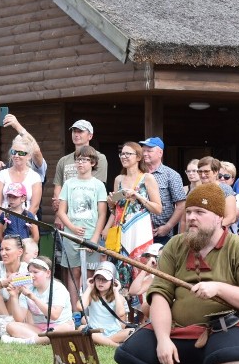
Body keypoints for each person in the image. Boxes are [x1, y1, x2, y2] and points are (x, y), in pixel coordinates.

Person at [113, 183, 239, 364]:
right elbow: (160, 296)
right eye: (188, 212)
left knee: (235, 362)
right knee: (129, 357)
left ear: (218, 217)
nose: (191, 218)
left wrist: (219, 288)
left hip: (227, 329)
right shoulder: (176, 245)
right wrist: (163, 338)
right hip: (180, 330)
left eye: (200, 212)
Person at [105, 141, 162, 288]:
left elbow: (158, 208)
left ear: (138, 157)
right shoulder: (118, 179)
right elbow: (115, 210)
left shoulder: (147, 178)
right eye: (122, 154)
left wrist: (139, 196)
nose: (124, 157)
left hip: (140, 230)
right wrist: (111, 203)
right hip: (121, 231)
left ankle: (140, 305)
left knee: (139, 264)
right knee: (121, 267)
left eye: (128, 154)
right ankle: (123, 307)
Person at [56, 145, 108, 296]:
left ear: (92, 163)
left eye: (84, 160)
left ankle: (89, 308)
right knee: (74, 272)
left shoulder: (98, 185)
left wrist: (95, 238)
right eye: (78, 160)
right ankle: (75, 312)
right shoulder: (69, 184)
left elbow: (102, 214)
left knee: (91, 273)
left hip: (91, 234)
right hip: (71, 235)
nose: (80, 163)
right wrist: (72, 227)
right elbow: (61, 211)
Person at [2, 256, 75, 344]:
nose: (31, 275)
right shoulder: (27, 288)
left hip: (60, 326)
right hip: (39, 329)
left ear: (48, 273)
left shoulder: (58, 288)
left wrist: (33, 297)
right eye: (29, 272)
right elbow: (19, 318)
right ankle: (42, 339)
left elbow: (54, 315)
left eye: (35, 272)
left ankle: (28, 341)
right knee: (11, 326)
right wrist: (14, 296)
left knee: (66, 328)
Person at [52, 120, 107, 229]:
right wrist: (59, 214)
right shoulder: (63, 160)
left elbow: (96, 189)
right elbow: (57, 188)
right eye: (74, 131)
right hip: (65, 216)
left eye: (80, 132)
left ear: (90, 136)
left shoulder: (100, 158)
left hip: (88, 216)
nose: (76, 134)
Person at [138, 137, 186, 243]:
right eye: (143, 150)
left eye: (149, 151)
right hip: (137, 231)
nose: (145, 153)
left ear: (160, 153)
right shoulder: (137, 173)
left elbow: (181, 205)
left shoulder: (171, 175)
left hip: (160, 233)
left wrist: (168, 227)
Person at [81, 261, 133, 347]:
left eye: (105, 279)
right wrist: (89, 287)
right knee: (81, 328)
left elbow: (121, 314)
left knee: (132, 331)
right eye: (98, 278)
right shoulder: (91, 295)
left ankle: (101, 341)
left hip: (114, 332)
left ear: (113, 281)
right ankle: (116, 345)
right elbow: (80, 307)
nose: (100, 282)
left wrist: (116, 291)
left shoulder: (119, 297)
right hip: (95, 331)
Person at [0, 135, 43, 217]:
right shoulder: (2, 174)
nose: (16, 155)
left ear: (29, 156)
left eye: (21, 153)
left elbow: (35, 206)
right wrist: (2, 221)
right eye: (13, 152)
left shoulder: (35, 176)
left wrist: (22, 224)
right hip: (5, 219)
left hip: (27, 221)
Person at [196, 157, 238, 226]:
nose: (203, 175)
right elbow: (185, 218)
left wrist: (212, 229)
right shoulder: (195, 190)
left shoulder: (225, 189)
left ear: (215, 172)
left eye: (206, 172)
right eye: (200, 172)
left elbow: (231, 217)